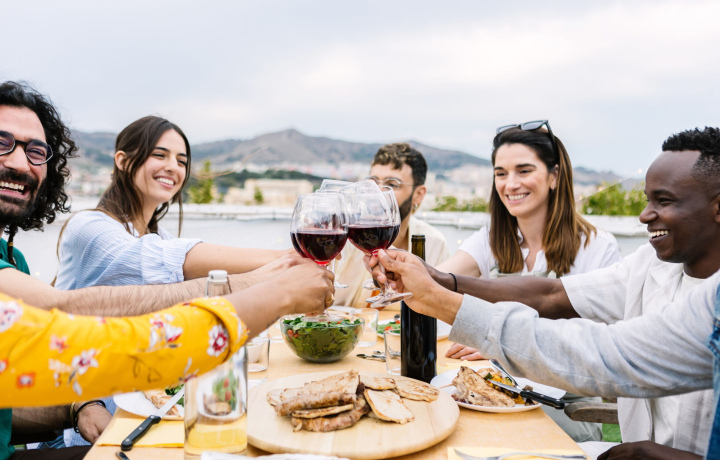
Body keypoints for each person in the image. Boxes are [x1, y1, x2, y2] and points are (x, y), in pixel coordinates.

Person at [0, 81, 332, 460]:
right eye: (2, 143)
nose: (19, 163)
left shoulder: (14, 258)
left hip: (117, 412)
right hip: (105, 423)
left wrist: (77, 409)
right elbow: (63, 308)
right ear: (122, 161)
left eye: (35, 151)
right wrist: (275, 280)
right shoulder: (90, 228)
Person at [369, 127, 720, 459]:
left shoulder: (607, 248)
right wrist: (438, 280)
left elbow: (605, 355)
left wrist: (442, 299)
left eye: (664, 200)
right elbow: (551, 295)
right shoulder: (650, 265)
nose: (644, 216)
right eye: (501, 173)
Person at [436, 122, 620, 442]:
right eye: (501, 173)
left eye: (524, 171)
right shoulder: (491, 238)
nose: (511, 184)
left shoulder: (597, 247)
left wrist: (501, 340)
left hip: (564, 407)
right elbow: (441, 278)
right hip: (494, 394)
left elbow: (599, 346)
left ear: (554, 176)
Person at [55, 115, 289, 290]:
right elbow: (152, 260)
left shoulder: (161, 238)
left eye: (181, 161)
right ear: (123, 161)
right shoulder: (88, 226)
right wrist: (284, 258)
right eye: (159, 155)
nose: (173, 167)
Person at [334, 143, 448, 309]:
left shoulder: (434, 243)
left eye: (392, 185)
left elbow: (439, 307)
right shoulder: (349, 235)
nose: (377, 193)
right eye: (373, 183)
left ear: (418, 194)